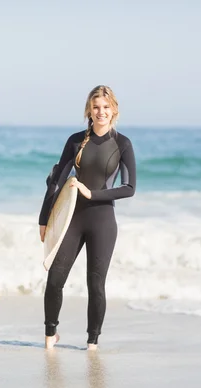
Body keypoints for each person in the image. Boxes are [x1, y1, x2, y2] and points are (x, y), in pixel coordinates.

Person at [38, 85, 136, 350]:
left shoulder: (122, 144)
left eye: (105, 107)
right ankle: (50, 337)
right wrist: (44, 218)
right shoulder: (75, 140)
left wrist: (90, 193)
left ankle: (92, 342)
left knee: (96, 283)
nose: (100, 112)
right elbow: (57, 181)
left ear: (114, 110)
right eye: (96, 107)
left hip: (102, 221)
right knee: (55, 277)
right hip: (73, 219)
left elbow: (129, 188)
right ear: (88, 111)